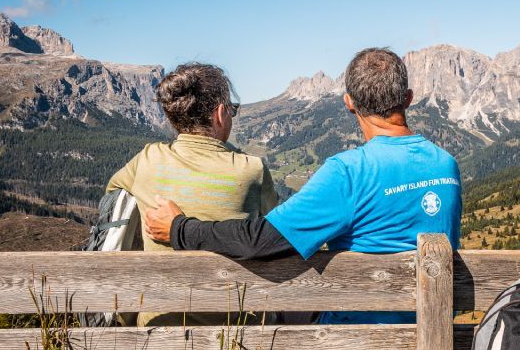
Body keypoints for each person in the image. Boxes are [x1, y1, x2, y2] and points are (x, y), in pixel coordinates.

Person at [145, 48, 461, 323]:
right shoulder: (446, 164)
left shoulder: (349, 172)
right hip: (435, 334)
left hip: (360, 346)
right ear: (407, 98)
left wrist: (179, 228)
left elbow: (259, 241)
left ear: (349, 103)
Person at [107, 62, 278, 325]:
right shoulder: (251, 170)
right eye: (232, 109)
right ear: (220, 114)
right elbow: (273, 228)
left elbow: (113, 198)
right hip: (236, 330)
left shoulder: (147, 160)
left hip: (158, 326)